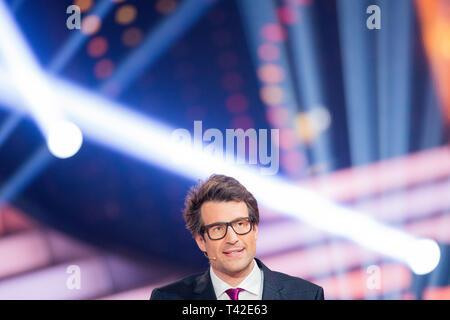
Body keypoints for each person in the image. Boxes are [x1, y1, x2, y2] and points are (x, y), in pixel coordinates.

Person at [150, 174, 324, 300]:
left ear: (255, 229)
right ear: (201, 241)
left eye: (240, 224)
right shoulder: (166, 298)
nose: (232, 238)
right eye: (218, 229)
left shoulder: (307, 296)